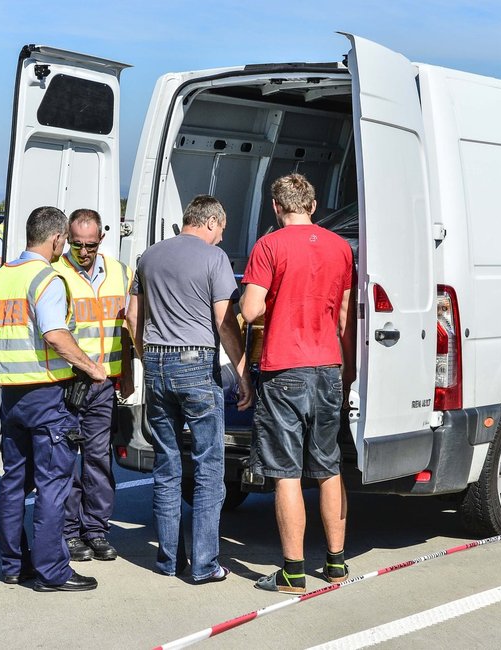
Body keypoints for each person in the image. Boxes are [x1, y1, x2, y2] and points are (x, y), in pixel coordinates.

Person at [125, 195, 252, 584]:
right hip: (195, 362)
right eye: (222, 231)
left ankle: (167, 561)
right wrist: (244, 371)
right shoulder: (215, 260)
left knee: (167, 465)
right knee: (209, 467)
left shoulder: (148, 256)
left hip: (158, 363)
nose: (220, 239)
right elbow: (225, 322)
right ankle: (204, 564)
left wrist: (147, 357)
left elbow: (132, 315)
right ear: (211, 221)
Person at [240, 173, 354, 594]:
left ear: (275, 206)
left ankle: (292, 571)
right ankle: (337, 564)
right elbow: (345, 317)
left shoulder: (269, 246)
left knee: (286, 474)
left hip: (285, 369)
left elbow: (250, 310)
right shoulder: (340, 248)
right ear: (314, 204)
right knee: (328, 467)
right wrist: (349, 367)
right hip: (328, 366)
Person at [0, 205, 108, 592]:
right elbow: (54, 334)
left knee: (13, 481)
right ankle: (52, 571)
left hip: (9, 394)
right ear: (56, 239)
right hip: (45, 393)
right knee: (53, 484)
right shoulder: (47, 279)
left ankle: (13, 565)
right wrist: (91, 367)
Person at [53, 209, 132, 563]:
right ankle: (70, 532)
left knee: (99, 460)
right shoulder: (56, 273)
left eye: (89, 245)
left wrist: (127, 373)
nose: (83, 252)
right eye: (76, 244)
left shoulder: (120, 272)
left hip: (104, 383)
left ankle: (96, 530)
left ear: (102, 239)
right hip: (68, 382)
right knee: (68, 459)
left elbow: (127, 329)